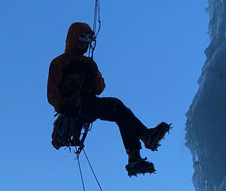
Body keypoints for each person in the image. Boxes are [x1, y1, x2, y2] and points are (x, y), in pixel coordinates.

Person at [47, 22, 170, 176]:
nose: (84, 44)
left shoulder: (88, 63)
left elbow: (100, 88)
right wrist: (64, 107)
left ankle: (136, 153)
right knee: (116, 108)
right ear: (73, 39)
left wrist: (93, 75)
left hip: (87, 104)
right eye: (81, 40)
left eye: (86, 41)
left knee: (119, 111)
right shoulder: (59, 63)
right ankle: (143, 141)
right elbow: (52, 92)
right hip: (74, 108)